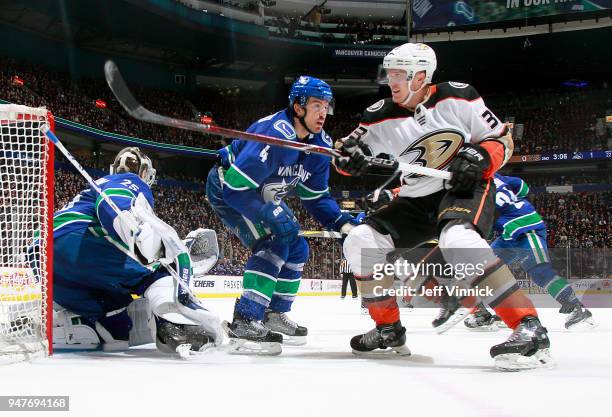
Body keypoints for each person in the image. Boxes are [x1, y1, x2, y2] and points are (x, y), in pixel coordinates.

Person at [334, 42, 552, 370]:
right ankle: (388, 329)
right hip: (415, 198)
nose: (390, 81)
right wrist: (347, 159)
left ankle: (528, 328)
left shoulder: (459, 98)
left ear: (421, 76)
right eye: (389, 73)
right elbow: (346, 151)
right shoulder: (377, 115)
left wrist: (480, 157)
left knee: (458, 241)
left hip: (462, 188)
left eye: (399, 74)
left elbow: (503, 141)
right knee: (361, 241)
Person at [206, 76, 359, 355]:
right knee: (273, 243)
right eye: (316, 105)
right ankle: (245, 320)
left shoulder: (320, 144)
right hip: (229, 186)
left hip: (261, 190)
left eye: (326, 105)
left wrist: (342, 223)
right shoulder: (273, 135)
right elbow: (235, 190)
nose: (323, 112)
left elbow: (316, 197)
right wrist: (268, 211)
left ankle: (274, 314)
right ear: (298, 107)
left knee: (298, 246)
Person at [51, 147, 223, 357]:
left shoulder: (91, 190)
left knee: (115, 312)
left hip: (45, 261)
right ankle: (175, 324)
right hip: (79, 240)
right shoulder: (130, 181)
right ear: (144, 172)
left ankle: (100, 325)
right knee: (162, 269)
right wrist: (141, 236)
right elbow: (116, 201)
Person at [464, 174, 596, 331]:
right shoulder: (496, 176)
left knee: (540, 272)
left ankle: (577, 308)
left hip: (527, 229)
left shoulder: (469, 190)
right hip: (508, 236)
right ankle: (487, 313)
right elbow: (522, 187)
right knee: (481, 270)